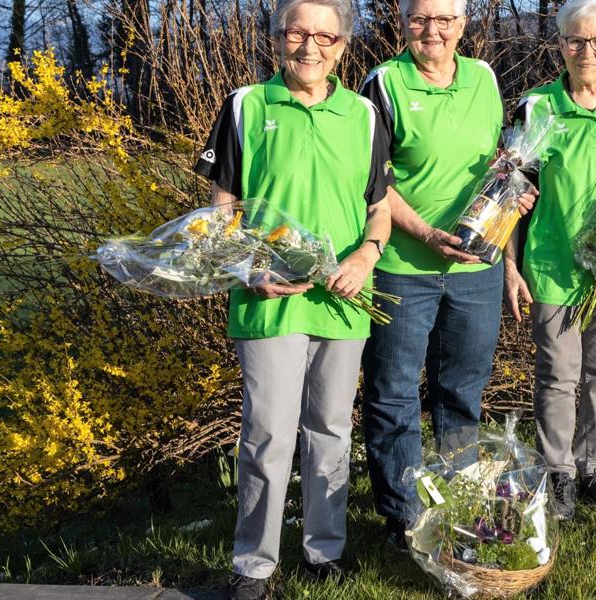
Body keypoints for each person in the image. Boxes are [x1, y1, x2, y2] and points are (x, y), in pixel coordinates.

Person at [193, 0, 392, 596]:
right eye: (297, 32)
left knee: (331, 428)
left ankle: (323, 550)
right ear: (278, 37)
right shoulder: (246, 106)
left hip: (344, 299)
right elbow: (221, 206)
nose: (311, 46)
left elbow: (378, 207)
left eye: (325, 36)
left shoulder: (363, 113)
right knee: (267, 434)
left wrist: (365, 257)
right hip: (267, 299)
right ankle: (254, 563)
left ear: (343, 44)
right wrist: (244, 265)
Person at [358, 0, 534, 550]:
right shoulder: (381, 84)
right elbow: (372, 181)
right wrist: (427, 234)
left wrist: (509, 224)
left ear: (463, 25)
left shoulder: (483, 78)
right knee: (392, 394)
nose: (432, 30)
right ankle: (403, 516)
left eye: (444, 20)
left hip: (475, 272)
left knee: (461, 390)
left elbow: (499, 164)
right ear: (405, 23)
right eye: (420, 19)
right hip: (400, 267)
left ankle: (458, 506)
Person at [504, 0, 596, 520]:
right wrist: (510, 264)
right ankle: (559, 473)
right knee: (557, 375)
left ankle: (595, 468)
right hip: (551, 266)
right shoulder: (536, 107)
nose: (585, 52)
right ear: (560, 44)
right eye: (574, 40)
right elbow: (511, 192)